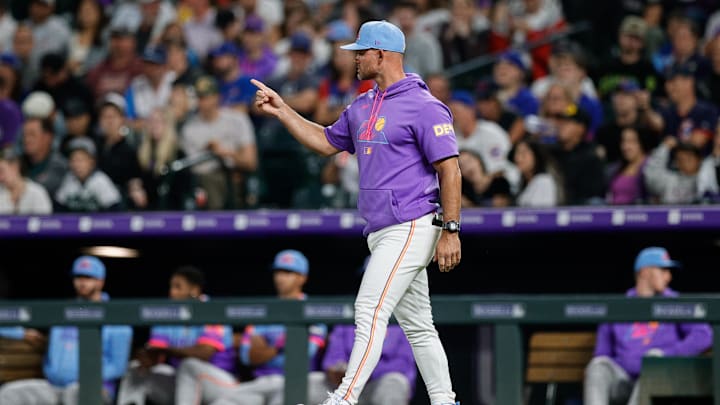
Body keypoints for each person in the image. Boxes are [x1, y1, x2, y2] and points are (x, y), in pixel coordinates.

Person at [251, 20, 460, 405]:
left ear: (382, 55)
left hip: (412, 223)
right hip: (381, 229)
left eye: (361, 52)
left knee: (369, 309)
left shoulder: (424, 105)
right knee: (419, 327)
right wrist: (283, 111)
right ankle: (445, 401)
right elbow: (326, 141)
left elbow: (450, 169)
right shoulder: (363, 104)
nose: (355, 58)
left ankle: (344, 399)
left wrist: (450, 229)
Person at [179, 249, 328, 405]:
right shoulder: (265, 309)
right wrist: (279, 346)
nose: (280, 278)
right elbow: (247, 356)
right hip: (259, 382)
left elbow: (302, 353)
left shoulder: (312, 309)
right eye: (278, 272)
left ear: (302, 278)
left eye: (288, 272)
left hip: (292, 382)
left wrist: (266, 346)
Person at [584, 247, 713, 405]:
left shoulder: (674, 302)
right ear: (645, 272)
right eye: (663, 270)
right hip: (623, 380)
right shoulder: (618, 306)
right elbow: (602, 353)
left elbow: (704, 335)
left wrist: (665, 355)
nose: (668, 276)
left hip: (661, 381)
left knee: (651, 366)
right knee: (598, 367)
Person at [0, 255, 133, 405]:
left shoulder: (115, 317)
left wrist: (82, 376)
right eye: (78, 277)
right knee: (9, 393)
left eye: (88, 278)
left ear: (100, 281)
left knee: (73, 394)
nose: (82, 283)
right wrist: (20, 333)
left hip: (96, 388)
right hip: (54, 386)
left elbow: (118, 367)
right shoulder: (63, 312)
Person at [116, 266, 235, 405]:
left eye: (178, 287)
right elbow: (155, 352)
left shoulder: (212, 311)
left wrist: (167, 350)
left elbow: (204, 353)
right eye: (171, 287)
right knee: (135, 368)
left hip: (219, 383)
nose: (172, 292)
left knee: (189, 365)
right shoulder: (168, 314)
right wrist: (146, 358)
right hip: (183, 384)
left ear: (194, 291)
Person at [0, 147, 52, 214]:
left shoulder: (37, 193)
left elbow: (46, 222)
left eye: (1, 171)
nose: (0, 177)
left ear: (14, 166)